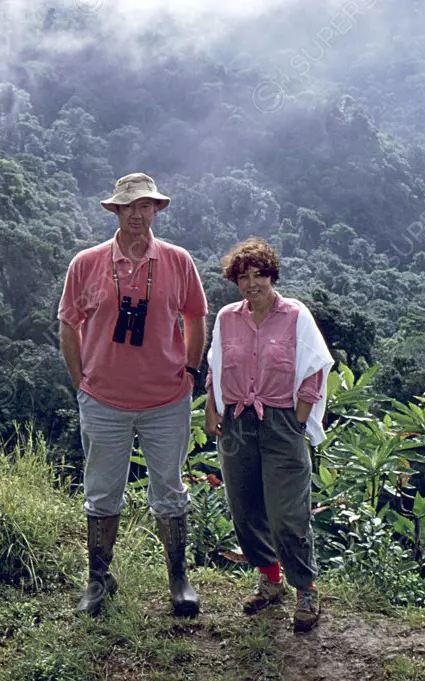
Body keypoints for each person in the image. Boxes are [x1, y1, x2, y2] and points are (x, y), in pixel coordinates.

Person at [58, 172, 208, 618]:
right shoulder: (86, 263)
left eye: (146, 206)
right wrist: (81, 380)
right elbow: (69, 323)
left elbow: (196, 316)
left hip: (167, 399)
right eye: (129, 206)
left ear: (156, 210)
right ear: (116, 211)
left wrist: (191, 371)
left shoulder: (178, 261)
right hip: (103, 400)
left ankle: (178, 579)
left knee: (169, 489)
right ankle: (99, 579)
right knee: (102, 492)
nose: (138, 214)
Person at [204, 237, 334, 633]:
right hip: (238, 422)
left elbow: (314, 367)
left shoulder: (295, 315)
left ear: (272, 275)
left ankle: (305, 589)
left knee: (288, 515)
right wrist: (212, 408)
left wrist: (300, 416)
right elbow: (216, 366)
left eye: (259, 275)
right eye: (243, 277)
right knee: (245, 509)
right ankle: (269, 580)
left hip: (281, 422)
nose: (252, 284)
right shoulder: (228, 317)